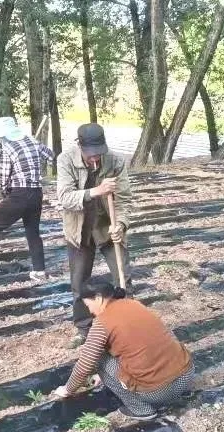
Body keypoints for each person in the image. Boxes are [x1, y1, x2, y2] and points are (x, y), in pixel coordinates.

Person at [51, 282, 195, 420]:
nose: (89, 310)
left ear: (99, 298)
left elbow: (85, 365)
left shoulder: (102, 323)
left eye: (88, 305)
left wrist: (68, 389)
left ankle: (141, 410)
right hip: (186, 375)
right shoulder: (134, 304)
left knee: (99, 359)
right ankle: (184, 393)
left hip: (160, 392)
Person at [56, 123, 133, 347]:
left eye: (99, 154)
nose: (95, 160)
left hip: (107, 227)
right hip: (79, 229)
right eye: (90, 155)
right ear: (80, 146)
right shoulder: (66, 160)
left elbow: (125, 200)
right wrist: (96, 191)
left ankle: (126, 324)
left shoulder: (115, 162)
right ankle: (83, 328)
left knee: (122, 278)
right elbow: (64, 198)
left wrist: (120, 224)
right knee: (79, 281)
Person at [0, 117, 54, 282]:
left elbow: (5, 177)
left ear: (3, 135)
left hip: (20, 194)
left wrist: (5, 191)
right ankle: (40, 271)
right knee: (33, 233)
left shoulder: (7, 149)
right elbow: (50, 156)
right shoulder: (32, 141)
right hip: (36, 193)